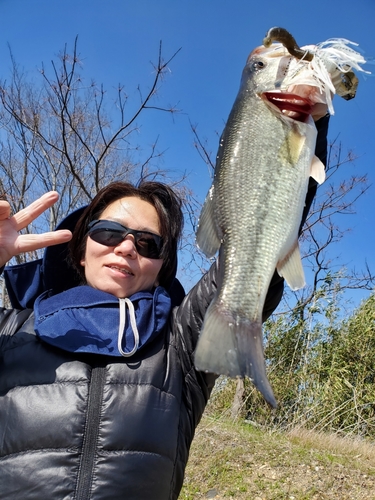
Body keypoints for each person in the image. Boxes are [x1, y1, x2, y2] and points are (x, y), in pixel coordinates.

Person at [0, 115, 329, 499]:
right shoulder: (10, 331)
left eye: (148, 243)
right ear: (81, 252)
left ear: (160, 268)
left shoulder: (181, 343)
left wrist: (300, 119)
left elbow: (258, 246)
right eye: (108, 233)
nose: (125, 247)